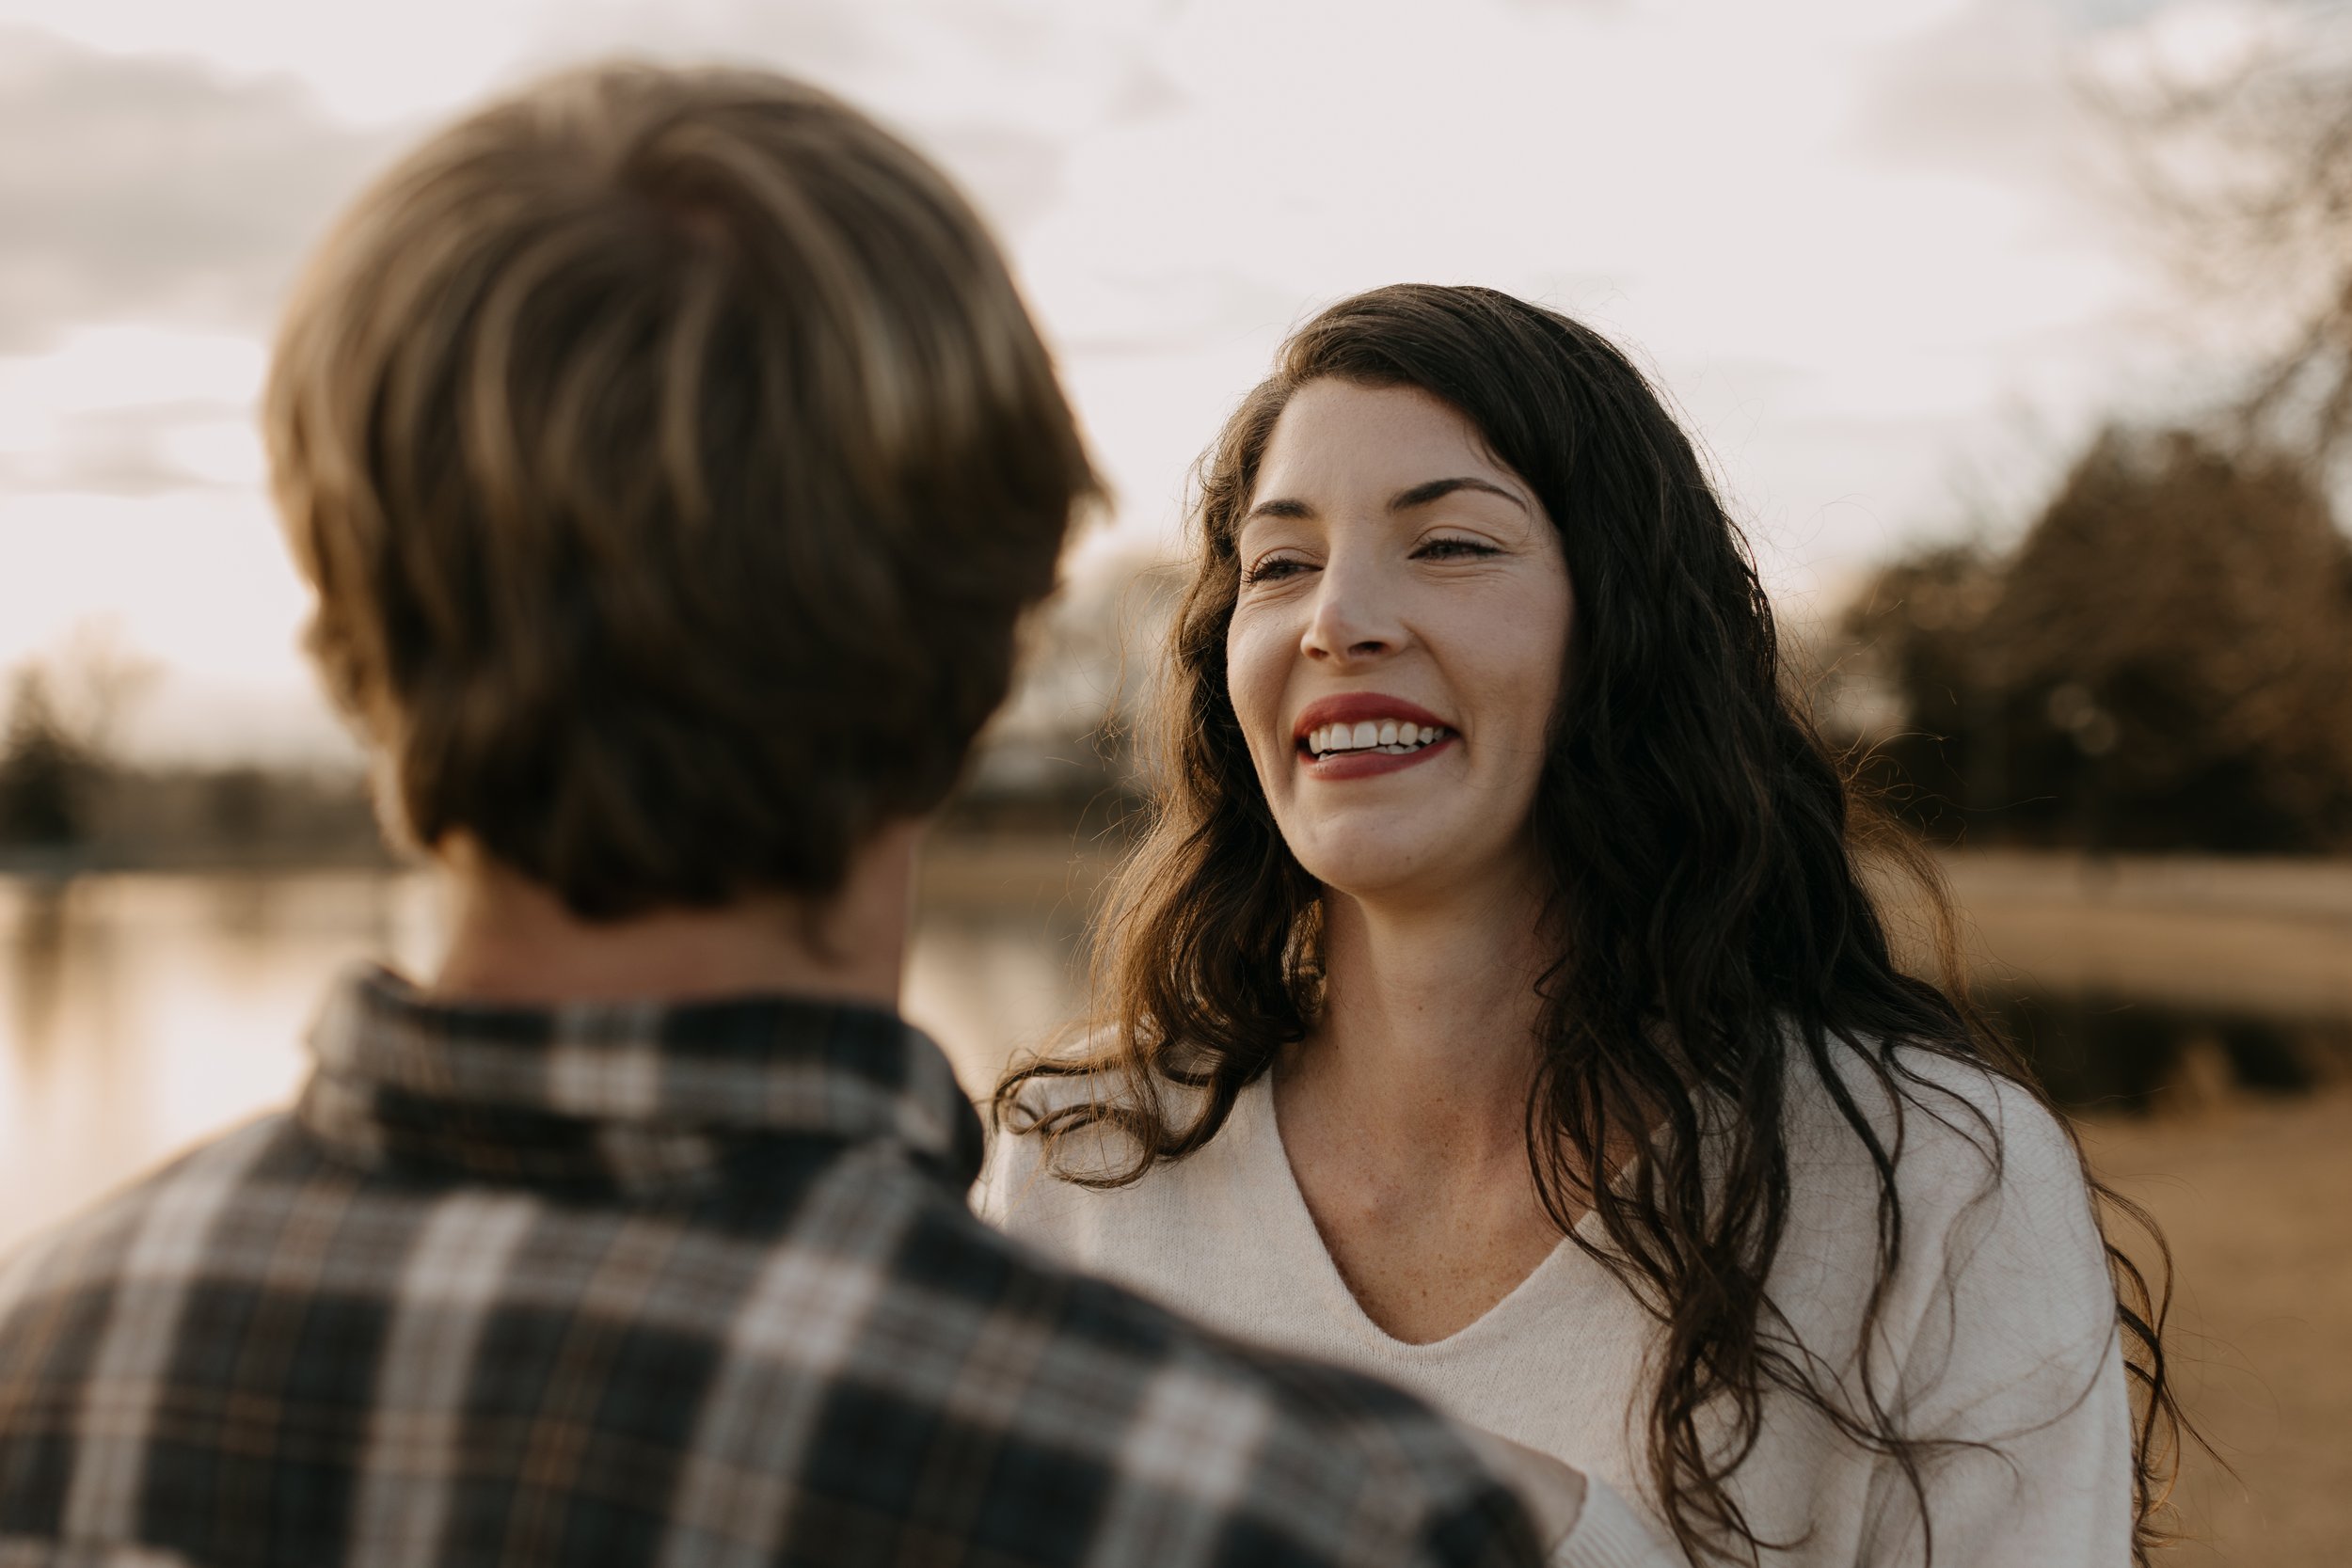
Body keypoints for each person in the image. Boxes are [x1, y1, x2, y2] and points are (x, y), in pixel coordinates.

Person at [0, 74, 1566, 1568]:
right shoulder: (1295, 1519)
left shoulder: (45, 1364)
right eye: (1280, 562)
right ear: (982, 652)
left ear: (347, 634)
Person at [984, 285, 2188, 1567]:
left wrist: (1531, 1533)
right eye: (1282, 564)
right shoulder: (1081, 1169)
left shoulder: (1937, 1187)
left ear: (1621, 629)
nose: (1338, 620)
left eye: (1449, 545)